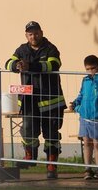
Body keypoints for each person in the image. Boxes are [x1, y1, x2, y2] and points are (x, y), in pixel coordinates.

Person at [4, 21, 66, 179]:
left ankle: (52, 165)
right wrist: (16, 65)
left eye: (36, 33)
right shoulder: (21, 49)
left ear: (42, 32)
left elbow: (53, 65)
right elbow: (7, 63)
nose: (34, 36)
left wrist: (30, 66)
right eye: (30, 34)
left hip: (50, 100)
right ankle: (30, 157)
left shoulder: (50, 48)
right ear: (26, 35)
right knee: (28, 130)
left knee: (51, 133)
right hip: (29, 100)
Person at [67, 55, 98, 180]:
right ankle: (87, 169)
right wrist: (75, 104)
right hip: (84, 116)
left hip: (97, 116)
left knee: (97, 144)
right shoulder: (85, 80)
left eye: (93, 68)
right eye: (88, 69)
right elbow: (81, 94)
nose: (91, 71)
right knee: (86, 143)